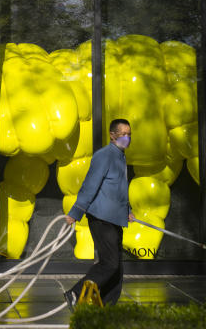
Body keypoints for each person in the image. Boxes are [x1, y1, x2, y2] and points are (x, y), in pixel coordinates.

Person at [64, 119, 134, 307]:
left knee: (117, 267)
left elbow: (118, 189)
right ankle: (75, 293)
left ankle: (107, 304)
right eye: (123, 134)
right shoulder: (104, 155)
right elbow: (90, 185)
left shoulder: (120, 156)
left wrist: (128, 210)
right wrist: (75, 212)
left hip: (115, 219)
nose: (126, 137)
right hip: (101, 218)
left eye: (129, 134)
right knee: (110, 264)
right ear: (112, 135)